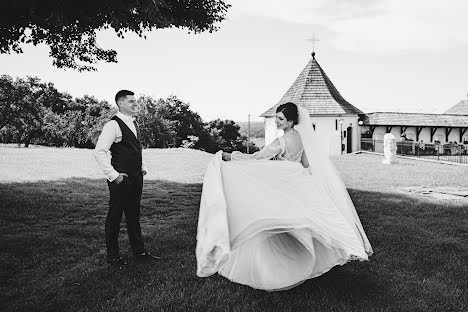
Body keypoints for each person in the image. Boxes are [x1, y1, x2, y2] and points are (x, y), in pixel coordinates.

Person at [196, 102, 372, 291]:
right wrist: (287, 168)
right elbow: (305, 164)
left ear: (291, 121)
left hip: (285, 185)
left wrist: (230, 157)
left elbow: (257, 158)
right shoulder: (303, 139)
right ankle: (298, 259)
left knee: (273, 222)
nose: (277, 123)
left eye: (280, 119)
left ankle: (277, 268)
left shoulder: (280, 142)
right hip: (299, 184)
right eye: (276, 119)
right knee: (303, 223)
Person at [94, 90, 158, 268]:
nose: (135, 104)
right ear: (120, 103)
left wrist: (142, 167)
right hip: (120, 180)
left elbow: (135, 149)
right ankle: (113, 257)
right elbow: (99, 152)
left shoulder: (134, 123)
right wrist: (114, 175)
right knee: (114, 218)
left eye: (135, 101)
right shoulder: (112, 125)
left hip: (136, 178)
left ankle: (140, 252)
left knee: (133, 216)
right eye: (131, 102)